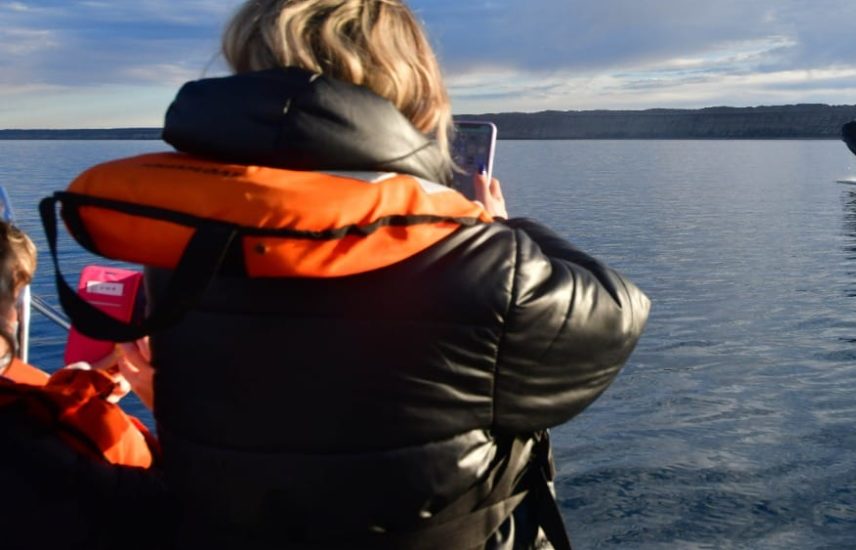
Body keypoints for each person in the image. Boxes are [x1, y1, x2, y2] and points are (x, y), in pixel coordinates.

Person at [48, 1, 650, 548]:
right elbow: (617, 313)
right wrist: (500, 225)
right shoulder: (489, 265)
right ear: (411, 87)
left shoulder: (182, 249)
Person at [0, 221, 170, 550]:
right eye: (13, 295)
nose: (19, 316)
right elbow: (201, 510)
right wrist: (168, 406)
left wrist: (86, 383)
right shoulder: (56, 455)